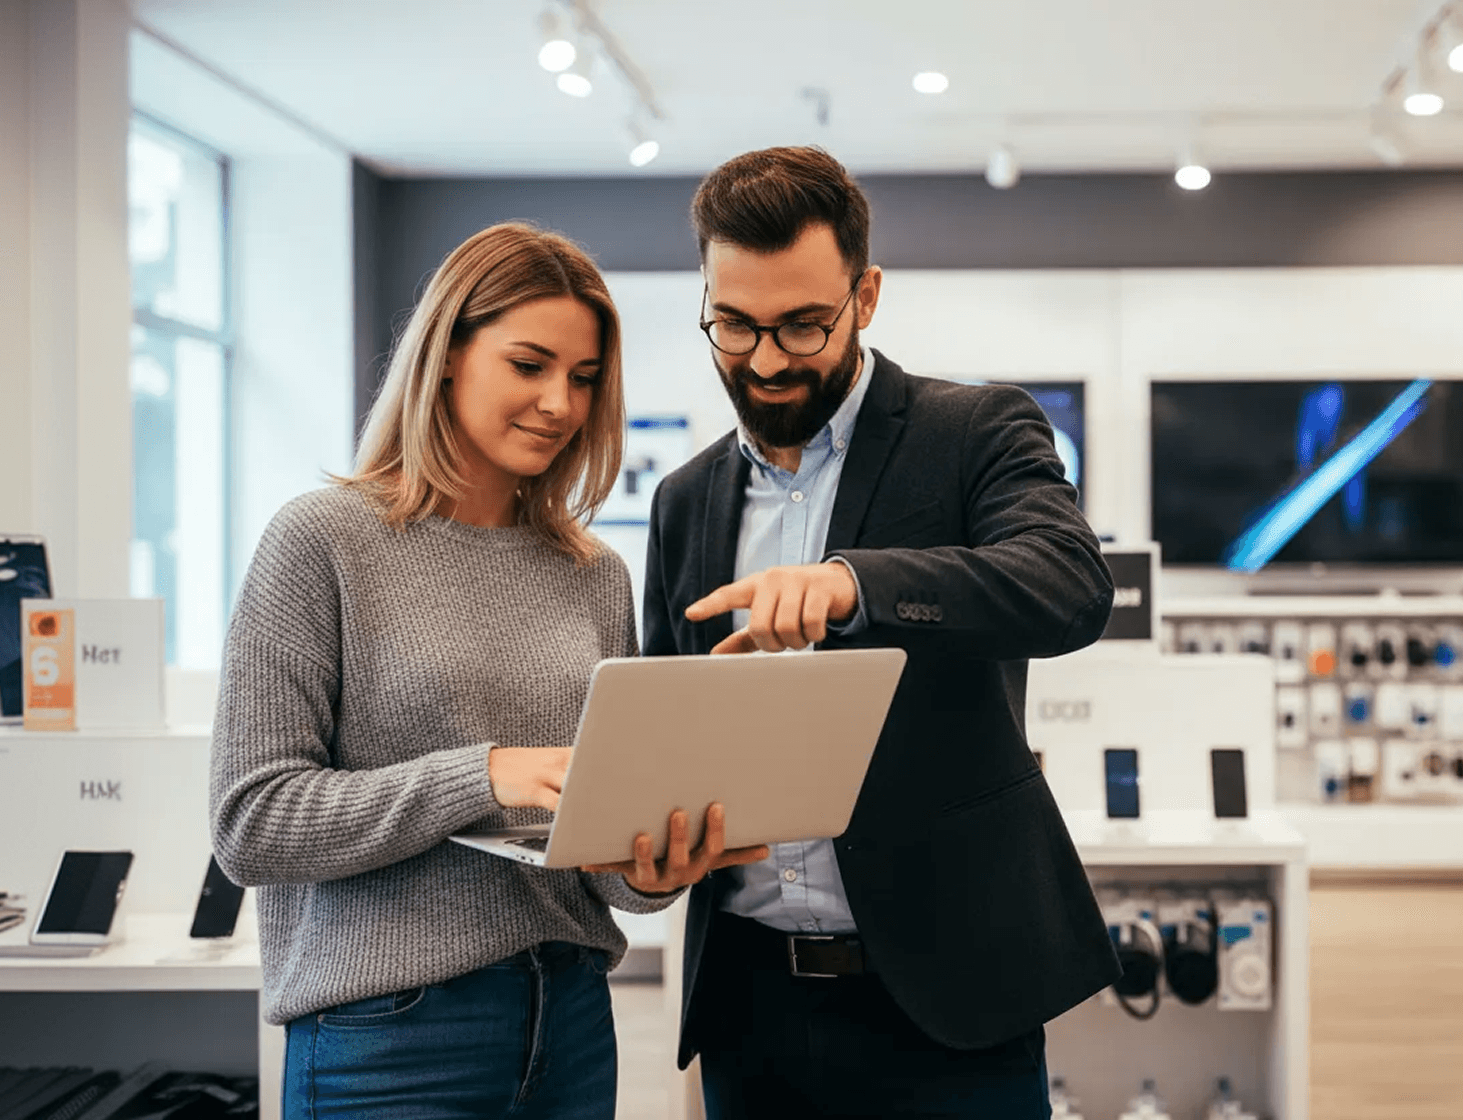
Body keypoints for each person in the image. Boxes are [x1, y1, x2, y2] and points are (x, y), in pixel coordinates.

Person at [210, 221, 764, 1120]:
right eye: (530, 364)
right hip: (389, 1040)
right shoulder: (322, 541)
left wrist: (657, 866)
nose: (561, 402)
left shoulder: (593, 572)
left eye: (584, 379)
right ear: (448, 355)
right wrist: (484, 773)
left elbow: (604, 871)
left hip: (574, 1021)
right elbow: (252, 824)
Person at [642, 147, 1122, 1118]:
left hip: (950, 999)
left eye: (800, 325)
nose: (766, 359)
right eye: (732, 325)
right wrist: (654, 843)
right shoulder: (684, 498)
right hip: (748, 1002)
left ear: (864, 295)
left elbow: (1068, 585)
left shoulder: (976, 430)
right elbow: (668, 721)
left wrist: (850, 583)